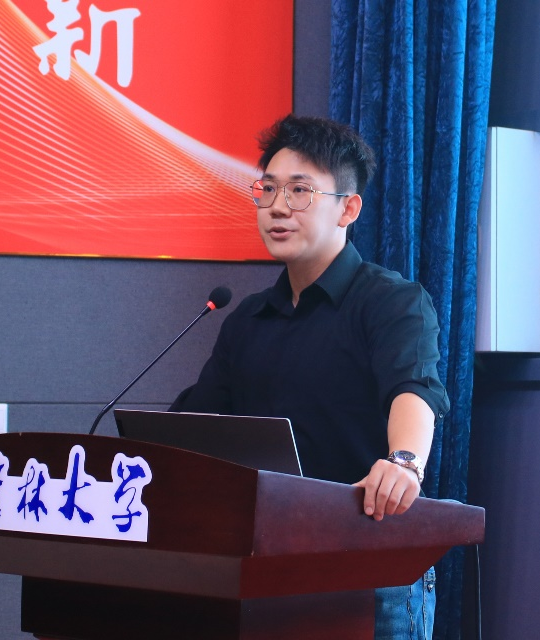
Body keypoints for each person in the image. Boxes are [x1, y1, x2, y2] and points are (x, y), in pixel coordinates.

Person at [171, 114, 449, 640]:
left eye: (300, 191)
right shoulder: (248, 318)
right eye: (268, 189)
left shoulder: (391, 302)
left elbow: (414, 389)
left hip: (371, 565)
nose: (278, 207)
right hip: (267, 566)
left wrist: (405, 462)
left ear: (348, 208)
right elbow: (198, 424)